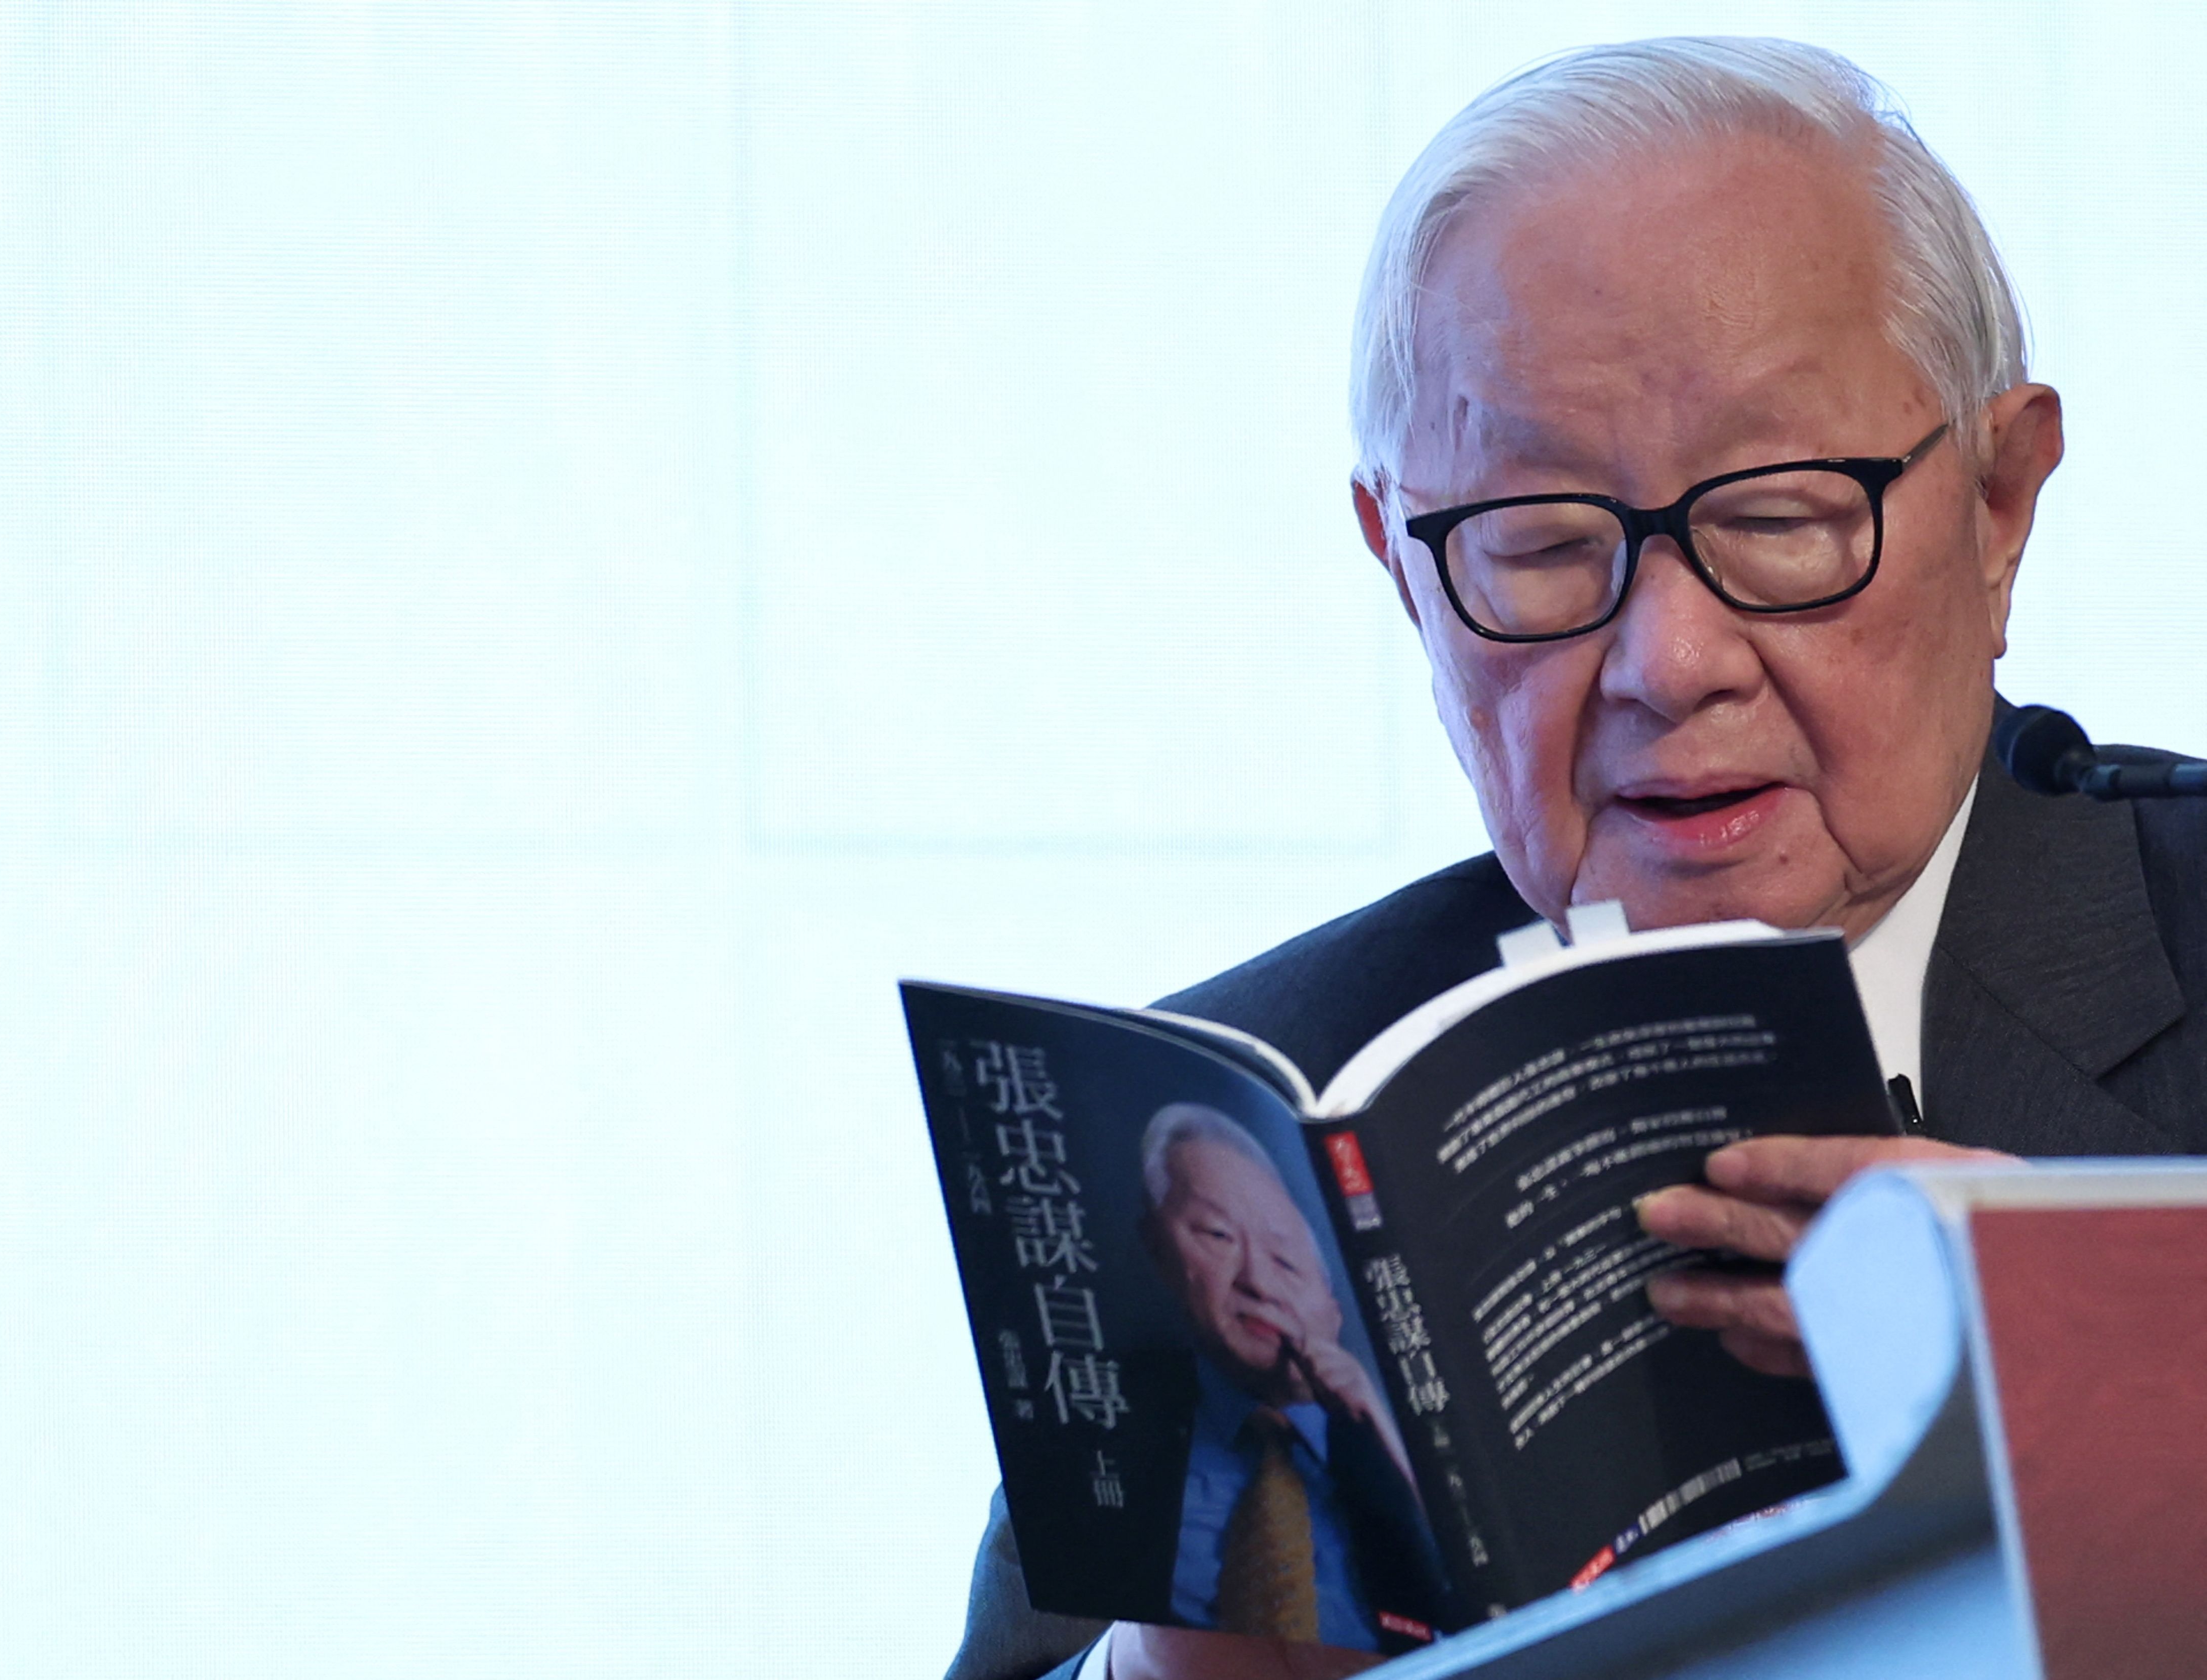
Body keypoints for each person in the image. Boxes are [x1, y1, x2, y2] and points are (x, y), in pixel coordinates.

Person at [944, 34, 2207, 1680]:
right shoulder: (1237, 1117)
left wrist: (2120, 1390)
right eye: (1539, 545)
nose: (1668, 662)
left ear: (1999, 502)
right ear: (1404, 570)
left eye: (1779, 517)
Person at [1130, 1105, 1452, 1653]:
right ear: (1157, 1246)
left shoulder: (1413, 1444)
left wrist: (1390, 1445)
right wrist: (1123, 1664)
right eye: (1217, 1234)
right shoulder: (1099, 1432)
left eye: (1286, 1263)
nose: (1257, 1281)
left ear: (1333, 1310)